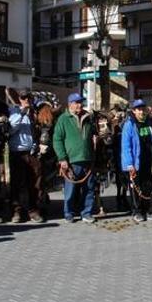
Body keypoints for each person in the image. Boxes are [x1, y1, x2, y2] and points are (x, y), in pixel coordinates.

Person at [53, 93, 97, 224]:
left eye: (80, 102)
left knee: (89, 188)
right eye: (76, 102)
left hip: (87, 159)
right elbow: (57, 140)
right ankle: (69, 213)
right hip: (71, 161)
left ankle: (86, 213)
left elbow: (93, 133)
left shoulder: (88, 118)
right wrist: (62, 159)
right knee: (70, 190)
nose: (79, 105)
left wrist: (95, 137)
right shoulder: (63, 119)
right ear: (70, 104)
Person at [121, 99, 152, 222]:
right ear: (134, 111)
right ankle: (137, 211)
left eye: (143, 109)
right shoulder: (129, 125)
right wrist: (129, 164)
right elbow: (126, 146)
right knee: (135, 187)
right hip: (135, 162)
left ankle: (146, 210)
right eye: (138, 109)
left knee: (148, 186)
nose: (141, 111)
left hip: (148, 160)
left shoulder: (149, 123)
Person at [8, 89, 43, 223]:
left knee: (35, 182)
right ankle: (16, 211)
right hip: (17, 152)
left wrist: (35, 145)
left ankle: (33, 210)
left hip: (31, 152)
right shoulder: (14, 111)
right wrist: (22, 113)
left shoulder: (34, 113)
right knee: (17, 183)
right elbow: (11, 129)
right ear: (19, 99)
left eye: (28, 97)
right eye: (23, 97)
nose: (26, 100)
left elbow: (35, 132)